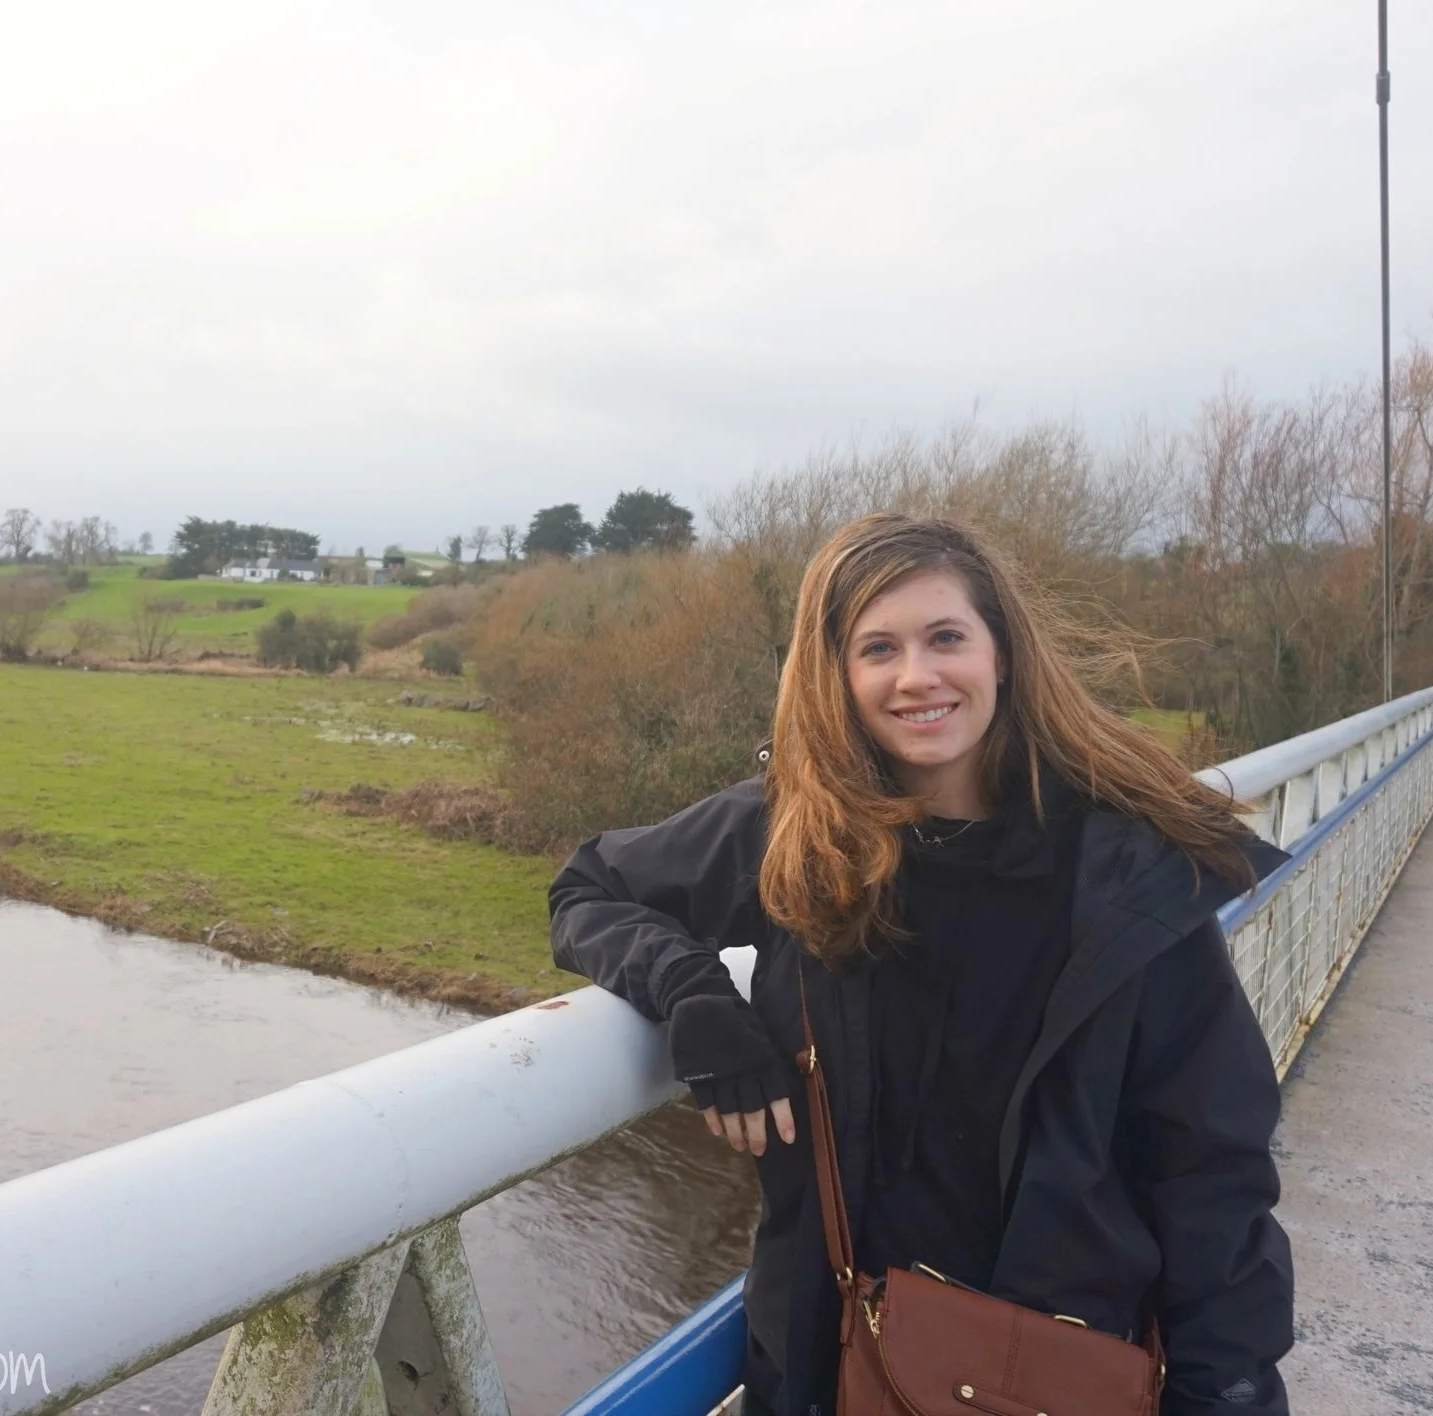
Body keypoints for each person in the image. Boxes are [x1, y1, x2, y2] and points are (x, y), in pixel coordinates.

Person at [548, 514, 1294, 1416]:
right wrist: (692, 994)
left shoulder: (1125, 875)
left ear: (1002, 654)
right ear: (838, 677)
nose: (916, 677)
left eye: (947, 638)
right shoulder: (795, 836)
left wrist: (1231, 1387)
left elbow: (1211, 1164)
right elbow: (587, 887)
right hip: (832, 1369)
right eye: (877, 649)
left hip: (1063, 1373)